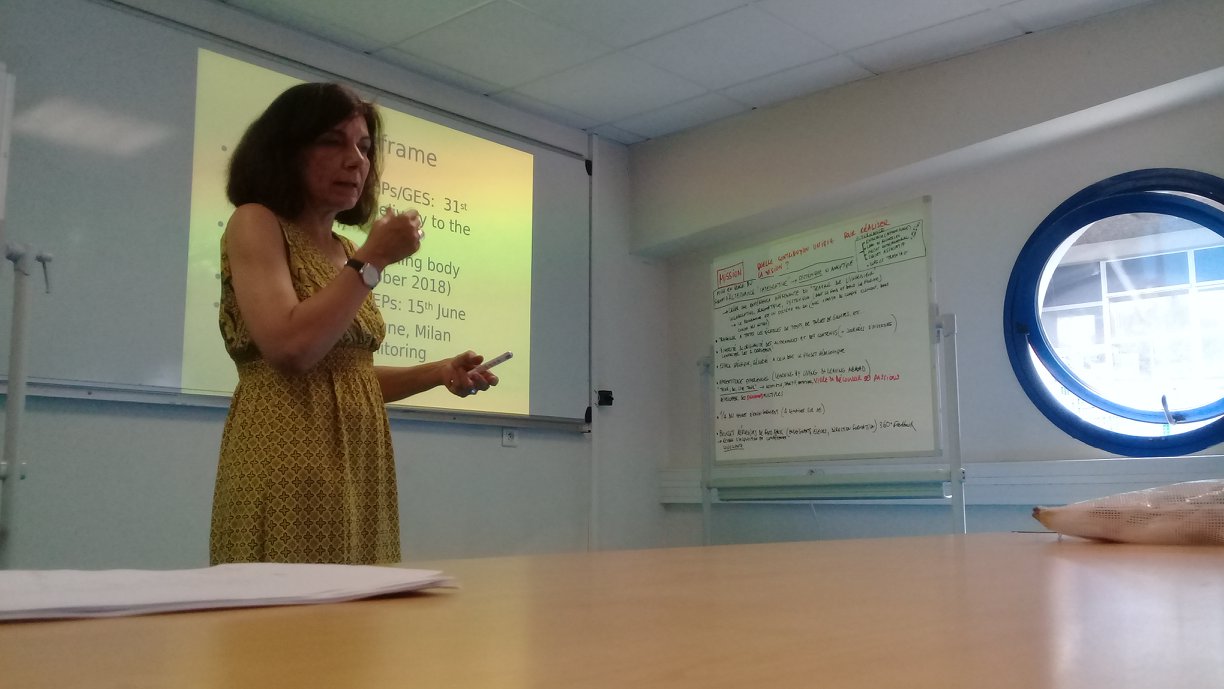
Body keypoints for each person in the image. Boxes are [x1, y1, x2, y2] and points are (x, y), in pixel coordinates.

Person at [209, 82, 497, 565]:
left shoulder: (345, 250)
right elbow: (291, 348)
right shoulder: (256, 221)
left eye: (364, 147)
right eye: (332, 142)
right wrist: (373, 259)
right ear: (285, 150)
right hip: (284, 456)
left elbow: (346, 377)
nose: (356, 161)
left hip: (360, 463)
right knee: (291, 605)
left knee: (360, 602)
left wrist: (438, 371)